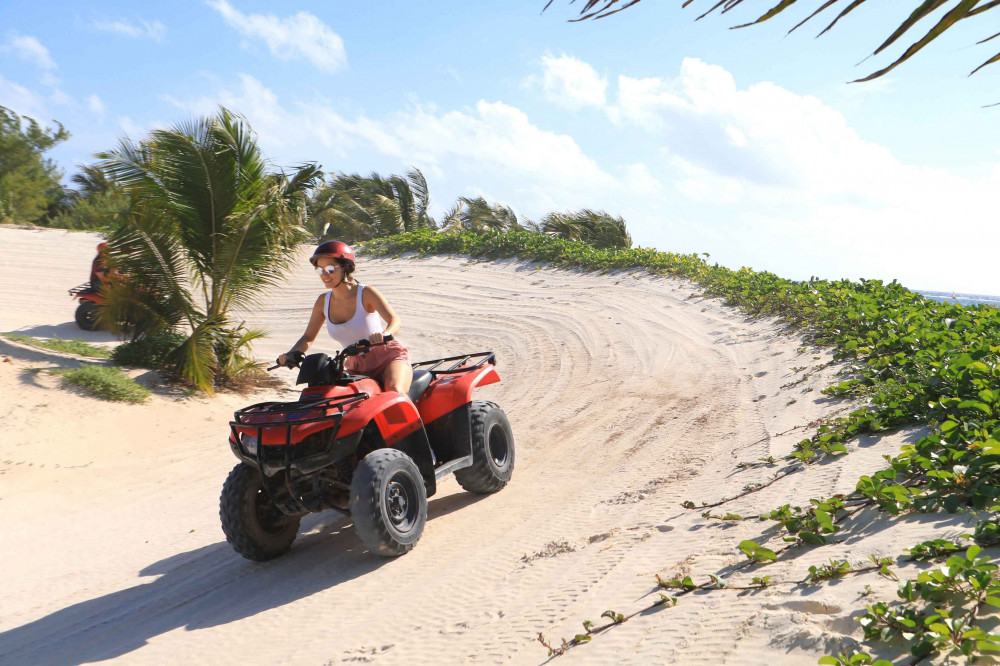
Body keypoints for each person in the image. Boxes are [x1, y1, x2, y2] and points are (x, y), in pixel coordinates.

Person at [276, 241, 413, 394]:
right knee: (343, 399)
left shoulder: (366, 293)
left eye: (329, 269)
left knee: (394, 391)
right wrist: (290, 354)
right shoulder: (323, 302)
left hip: (387, 358)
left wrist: (385, 334)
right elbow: (308, 337)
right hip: (356, 365)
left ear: (345, 267)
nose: (324, 275)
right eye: (319, 270)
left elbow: (395, 321)